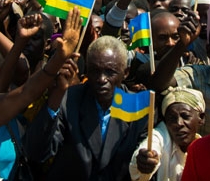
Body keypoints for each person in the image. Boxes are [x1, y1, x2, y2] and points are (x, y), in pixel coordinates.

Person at [25, 34, 148, 180]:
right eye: (95, 71)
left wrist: (145, 163)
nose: (101, 79)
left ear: (125, 73)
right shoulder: (68, 99)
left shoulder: (140, 109)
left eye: (110, 72)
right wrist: (57, 93)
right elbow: (37, 152)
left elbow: (141, 165)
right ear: (87, 71)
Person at [129, 87, 206, 181]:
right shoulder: (161, 136)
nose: (179, 123)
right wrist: (144, 160)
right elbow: (151, 146)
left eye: (185, 116)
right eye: (172, 118)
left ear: (201, 119)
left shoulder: (207, 150)